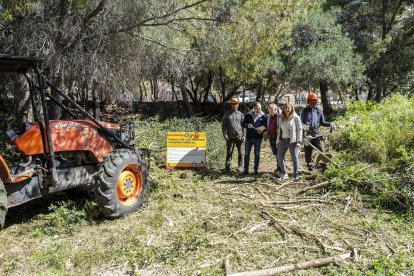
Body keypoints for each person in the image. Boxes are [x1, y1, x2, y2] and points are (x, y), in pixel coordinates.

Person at [300, 93, 336, 171]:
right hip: (307, 134)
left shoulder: (318, 111)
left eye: (314, 101)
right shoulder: (304, 111)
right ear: (308, 101)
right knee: (308, 152)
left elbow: (323, 122)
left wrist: (330, 124)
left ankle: (325, 167)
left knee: (321, 150)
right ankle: (310, 168)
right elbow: (301, 122)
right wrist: (304, 131)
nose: (313, 103)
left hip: (317, 134)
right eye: (311, 101)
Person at [276, 102, 302, 181]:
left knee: (294, 158)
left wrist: (298, 141)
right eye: (285, 108)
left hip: (293, 141)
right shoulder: (281, 118)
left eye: (288, 108)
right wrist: (278, 141)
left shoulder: (296, 117)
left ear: (291, 108)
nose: (287, 109)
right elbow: (279, 130)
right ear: (283, 109)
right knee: (279, 157)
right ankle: (284, 173)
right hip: (283, 140)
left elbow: (300, 129)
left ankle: (295, 175)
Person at [241, 102, 267, 176]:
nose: (259, 110)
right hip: (249, 138)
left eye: (260, 108)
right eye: (257, 108)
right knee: (246, 154)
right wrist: (247, 125)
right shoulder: (248, 115)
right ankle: (246, 171)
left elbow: (265, 127)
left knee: (257, 154)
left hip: (258, 138)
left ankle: (256, 171)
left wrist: (262, 129)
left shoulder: (263, 116)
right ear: (254, 107)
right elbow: (243, 124)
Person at [222, 97, 245, 173]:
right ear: (231, 104)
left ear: (238, 104)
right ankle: (227, 168)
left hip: (239, 137)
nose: (234, 105)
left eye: (235, 103)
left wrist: (244, 136)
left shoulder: (241, 114)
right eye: (232, 103)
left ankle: (240, 167)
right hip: (230, 137)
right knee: (229, 153)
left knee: (241, 153)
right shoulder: (227, 114)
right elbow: (223, 125)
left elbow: (244, 126)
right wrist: (224, 134)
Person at [266, 103, 281, 176]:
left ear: (276, 109)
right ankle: (279, 167)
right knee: (275, 153)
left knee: (279, 153)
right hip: (271, 137)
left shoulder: (280, 116)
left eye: (271, 110)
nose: (270, 112)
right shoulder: (268, 116)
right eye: (269, 110)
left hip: (278, 137)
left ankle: (280, 169)